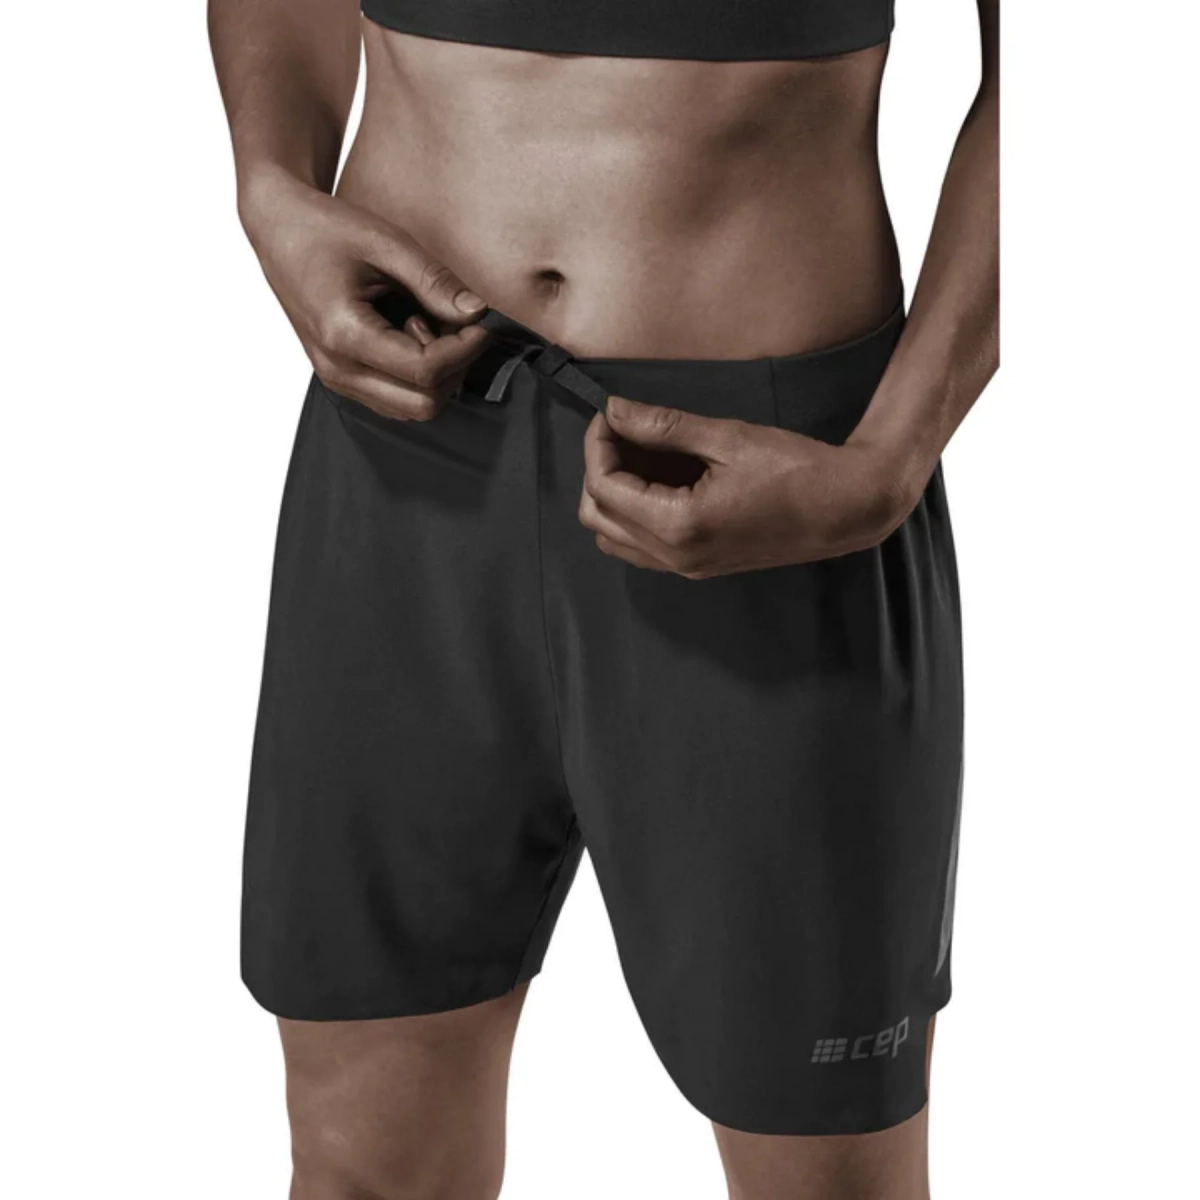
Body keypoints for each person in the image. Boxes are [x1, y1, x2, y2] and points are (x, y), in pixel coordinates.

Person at [210, 0, 998, 1193]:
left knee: (829, 1175)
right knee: (361, 1167)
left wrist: (885, 464)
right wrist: (272, 182)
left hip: (771, 480)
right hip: (401, 444)